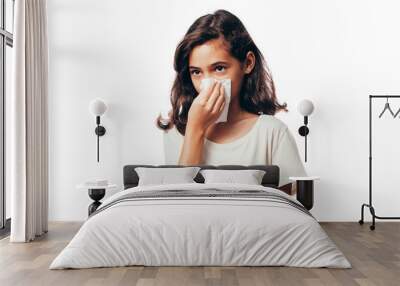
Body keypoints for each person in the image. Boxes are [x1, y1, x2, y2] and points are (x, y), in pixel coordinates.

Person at [157, 9, 307, 194]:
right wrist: (195, 128)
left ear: (248, 63)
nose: (207, 84)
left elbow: (290, 204)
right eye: (196, 72)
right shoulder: (175, 131)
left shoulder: (272, 132)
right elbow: (178, 200)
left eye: (219, 68)